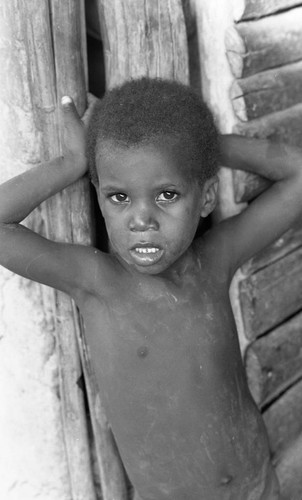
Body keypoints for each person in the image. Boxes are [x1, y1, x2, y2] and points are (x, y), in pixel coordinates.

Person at [1, 78, 301, 500]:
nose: (142, 219)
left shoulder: (213, 262)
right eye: (119, 196)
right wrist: (74, 161)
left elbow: (297, 176)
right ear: (100, 196)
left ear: (207, 196)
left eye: (167, 194)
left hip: (259, 485)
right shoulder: (98, 284)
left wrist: (202, 146)